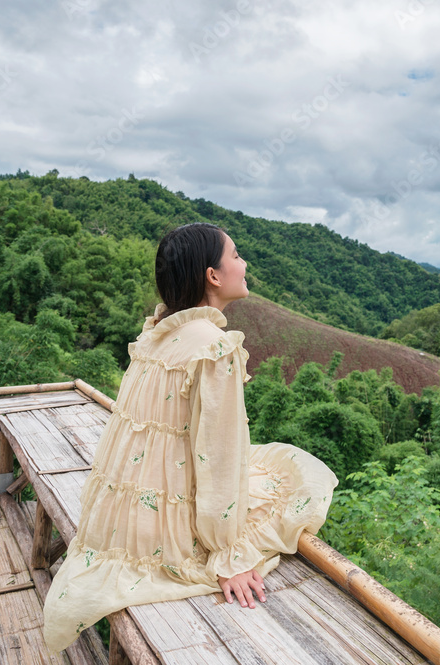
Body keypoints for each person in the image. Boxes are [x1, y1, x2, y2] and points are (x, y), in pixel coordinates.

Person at [43, 222, 339, 654]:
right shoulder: (213, 346)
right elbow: (218, 459)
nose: (244, 263)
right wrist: (227, 555)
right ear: (213, 276)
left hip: (125, 513)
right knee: (297, 477)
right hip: (176, 522)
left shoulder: (159, 332)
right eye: (235, 255)